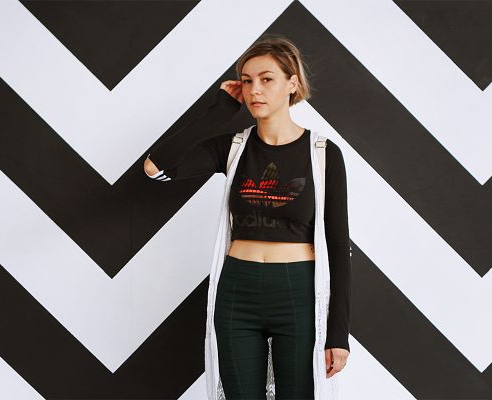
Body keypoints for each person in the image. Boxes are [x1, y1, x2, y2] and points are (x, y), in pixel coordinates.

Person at [144, 34, 351, 400]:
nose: (255, 89)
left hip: (297, 292)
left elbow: (337, 245)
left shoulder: (322, 153)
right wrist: (219, 112)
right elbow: (155, 168)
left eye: (266, 79)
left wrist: (338, 334)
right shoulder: (233, 148)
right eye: (247, 80)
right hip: (238, 291)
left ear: (292, 83)